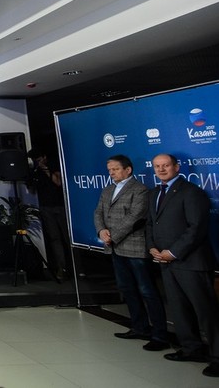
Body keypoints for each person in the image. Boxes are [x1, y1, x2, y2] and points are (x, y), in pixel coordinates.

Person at [147, 153, 219, 377]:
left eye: (166, 165)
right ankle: (191, 349)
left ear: (176, 167)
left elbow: (196, 228)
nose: (161, 169)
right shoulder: (155, 193)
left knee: (206, 311)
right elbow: (150, 224)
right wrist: (152, 247)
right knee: (179, 309)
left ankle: (217, 357)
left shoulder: (191, 192)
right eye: (157, 166)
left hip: (191, 262)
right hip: (165, 262)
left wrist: (173, 253)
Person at [93, 155, 168, 350]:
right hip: (115, 249)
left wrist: (113, 236)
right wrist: (101, 231)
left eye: (115, 169)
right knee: (127, 289)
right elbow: (98, 212)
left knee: (147, 291)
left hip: (134, 248)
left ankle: (160, 334)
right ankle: (139, 327)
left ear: (128, 170)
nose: (112, 173)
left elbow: (135, 217)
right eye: (110, 170)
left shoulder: (140, 190)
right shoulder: (108, 189)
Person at [27, 149, 68, 278]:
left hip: (60, 205)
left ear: (44, 157)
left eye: (39, 159)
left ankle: (78, 268)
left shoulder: (53, 165)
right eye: (35, 160)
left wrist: (45, 169)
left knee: (67, 237)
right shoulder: (35, 171)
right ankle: (62, 267)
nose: (38, 162)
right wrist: (33, 174)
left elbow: (58, 182)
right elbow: (31, 189)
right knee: (54, 238)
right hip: (45, 207)